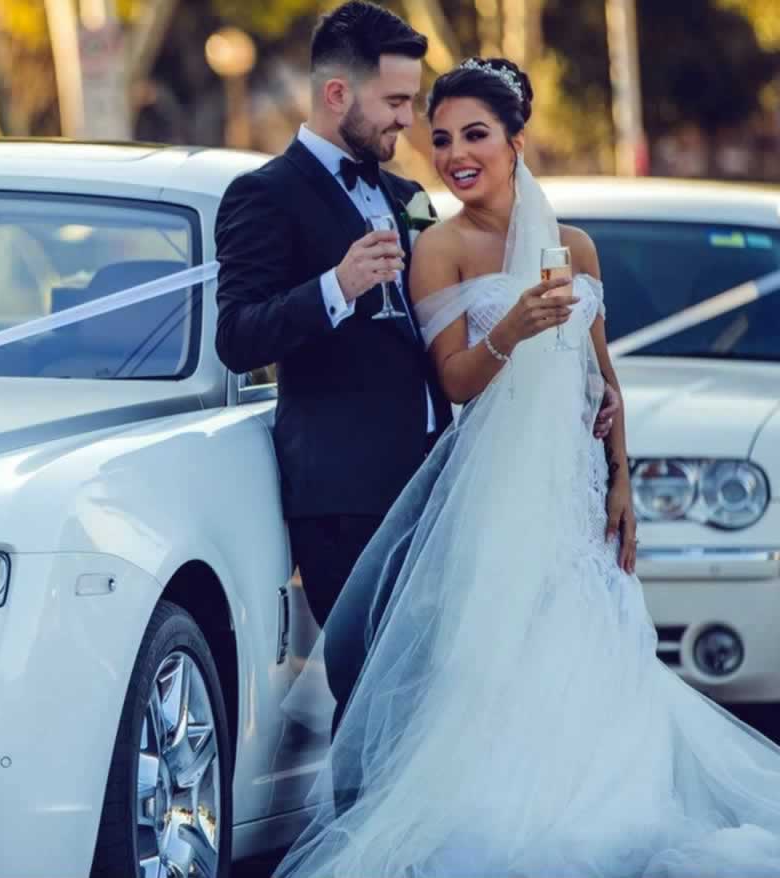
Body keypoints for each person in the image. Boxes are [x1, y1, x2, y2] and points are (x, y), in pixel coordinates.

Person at [273, 57, 780, 877]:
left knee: (591, 654)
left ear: (515, 140)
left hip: (577, 495)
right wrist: (510, 326)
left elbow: (602, 380)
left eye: (475, 134)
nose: (456, 153)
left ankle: (601, 806)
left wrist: (621, 480)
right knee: (497, 657)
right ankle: (509, 819)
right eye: (440, 139)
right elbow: (455, 383)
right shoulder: (439, 249)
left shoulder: (574, 245)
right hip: (494, 495)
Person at [212, 0, 616, 733]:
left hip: (443, 481)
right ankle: (358, 841)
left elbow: (443, 342)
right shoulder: (265, 195)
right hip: (345, 489)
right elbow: (237, 336)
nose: (407, 121)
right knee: (370, 685)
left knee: (440, 683)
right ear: (339, 94)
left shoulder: (408, 199)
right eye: (396, 102)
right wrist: (336, 287)